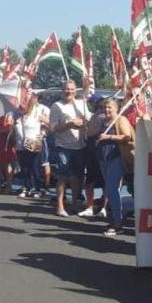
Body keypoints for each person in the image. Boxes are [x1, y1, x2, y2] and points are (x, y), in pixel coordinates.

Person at [50, 80, 91, 217]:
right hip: (63, 146)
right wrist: (70, 124)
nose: (69, 92)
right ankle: (60, 205)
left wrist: (85, 124)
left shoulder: (81, 103)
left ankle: (74, 203)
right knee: (62, 176)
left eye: (72, 89)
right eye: (67, 89)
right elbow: (53, 128)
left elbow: (89, 120)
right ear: (62, 90)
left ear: (75, 90)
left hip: (80, 145)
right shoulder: (56, 106)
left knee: (77, 176)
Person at [96, 98, 134, 236]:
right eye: (104, 107)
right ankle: (115, 219)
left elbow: (127, 137)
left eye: (109, 107)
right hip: (103, 158)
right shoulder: (102, 120)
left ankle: (118, 222)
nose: (106, 110)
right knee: (110, 190)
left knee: (112, 189)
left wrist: (109, 137)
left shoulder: (121, 119)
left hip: (116, 158)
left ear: (117, 108)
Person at [15, 92, 49, 198]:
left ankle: (38, 188)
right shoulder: (17, 114)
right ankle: (26, 187)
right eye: (23, 100)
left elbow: (49, 125)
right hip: (20, 143)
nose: (24, 103)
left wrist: (43, 134)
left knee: (35, 166)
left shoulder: (37, 113)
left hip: (33, 141)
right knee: (24, 167)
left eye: (27, 100)